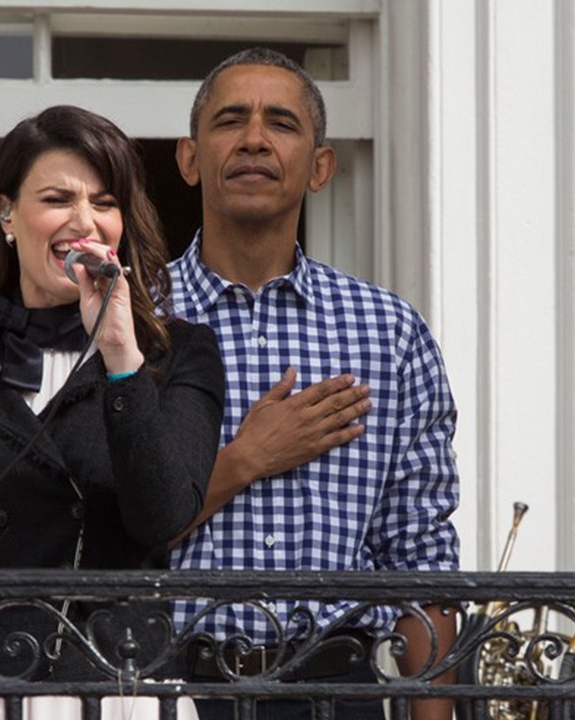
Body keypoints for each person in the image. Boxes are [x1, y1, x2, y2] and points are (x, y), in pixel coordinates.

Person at [0, 105, 224, 718]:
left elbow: (163, 516)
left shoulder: (177, 352)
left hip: (119, 686)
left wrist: (119, 354)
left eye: (105, 203)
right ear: (6, 213)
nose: (84, 222)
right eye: (58, 198)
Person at [168, 48, 460, 720]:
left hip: (339, 690)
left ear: (321, 167)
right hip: (171, 689)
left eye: (282, 123)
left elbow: (419, 555)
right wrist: (246, 459)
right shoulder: (134, 321)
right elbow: (98, 533)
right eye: (231, 120)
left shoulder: (389, 332)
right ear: (189, 159)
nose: (254, 140)